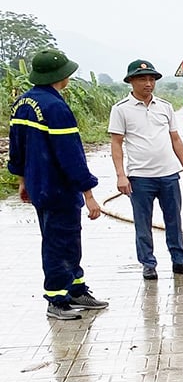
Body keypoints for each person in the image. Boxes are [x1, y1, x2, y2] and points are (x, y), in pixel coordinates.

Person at [7, 49, 108, 320]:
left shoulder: (22, 103)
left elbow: (17, 150)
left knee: (63, 240)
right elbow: (71, 155)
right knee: (59, 242)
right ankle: (57, 299)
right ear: (60, 75)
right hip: (59, 188)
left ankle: (76, 289)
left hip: (38, 185)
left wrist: (22, 181)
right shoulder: (55, 107)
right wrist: (88, 194)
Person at [109, 59, 183, 281]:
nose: (148, 83)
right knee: (143, 223)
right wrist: (121, 175)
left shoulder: (165, 107)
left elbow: (175, 139)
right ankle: (148, 264)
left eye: (151, 79)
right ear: (131, 81)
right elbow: (116, 143)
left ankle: (179, 261)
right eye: (142, 79)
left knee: (174, 220)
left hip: (169, 175)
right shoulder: (121, 109)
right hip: (140, 177)